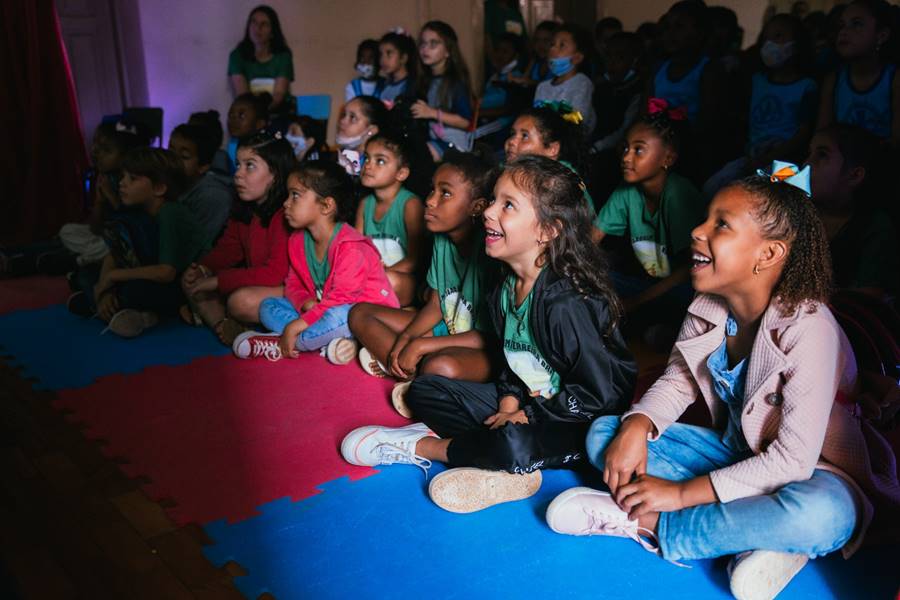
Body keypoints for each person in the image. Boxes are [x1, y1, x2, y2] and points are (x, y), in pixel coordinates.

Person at [545, 165, 899, 600]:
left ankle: (652, 525)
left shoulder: (810, 328)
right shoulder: (710, 305)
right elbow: (677, 380)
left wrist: (676, 496)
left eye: (721, 225)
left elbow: (791, 463)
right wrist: (637, 425)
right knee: (606, 434)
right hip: (732, 456)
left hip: (815, 473)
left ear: (767, 255)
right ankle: (756, 535)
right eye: (705, 219)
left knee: (824, 517)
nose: (697, 230)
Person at [340, 157, 636, 513]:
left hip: (578, 420)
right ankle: (506, 466)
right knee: (426, 390)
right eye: (493, 200)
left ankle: (422, 446)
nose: (489, 212)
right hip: (528, 404)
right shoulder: (505, 287)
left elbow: (600, 394)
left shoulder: (566, 303)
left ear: (547, 231)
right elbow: (513, 363)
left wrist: (527, 417)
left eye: (507, 205)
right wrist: (510, 404)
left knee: (512, 442)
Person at [348, 151, 498, 411]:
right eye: (432, 190)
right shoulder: (442, 239)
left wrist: (421, 344)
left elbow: (488, 338)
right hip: (446, 331)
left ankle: (414, 374)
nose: (430, 201)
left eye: (445, 193)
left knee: (439, 365)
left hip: (481, 348)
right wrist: (407, 338)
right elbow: (438, 304)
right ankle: (411, 376)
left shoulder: (490, 253)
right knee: (359, 314)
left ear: (477, 207)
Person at [232, 160, 398, 364]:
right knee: (268, 307)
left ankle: (280, 342)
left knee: (340, 316)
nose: (286, 203)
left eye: (295, 195)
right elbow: (292, 284)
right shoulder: (297, 240)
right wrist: (305, 303)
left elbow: (341, 300)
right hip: (321, 311)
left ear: (326, 205)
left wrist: (297, 324)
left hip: (361, 316)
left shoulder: (352, 247)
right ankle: (318, 341)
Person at [592, 105, 706, 350]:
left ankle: (659, 330)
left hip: (684, 289)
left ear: (668, 158)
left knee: (687, 305)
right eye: (625, 148)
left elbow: (690, 268)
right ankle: (647, 327)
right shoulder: (626, 191)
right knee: (597, 279)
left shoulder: (678, 194)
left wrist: (636, 302)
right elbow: (591, 239)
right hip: (649, 285)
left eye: (638, 150)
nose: (626, 157)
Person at [69, 148, 207, 338]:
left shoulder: (170, 213)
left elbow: (166, 273)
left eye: (132, 179)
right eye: (123, 176)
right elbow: (117, 253)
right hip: (155, 274)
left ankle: (115, 308)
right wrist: (105, 289)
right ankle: (107, 305)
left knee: (136, 290)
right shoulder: (139, 211)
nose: (122, 183)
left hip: (185, 284)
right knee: (87, 273)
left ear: (159, 188)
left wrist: (113, 277)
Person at [181, 132, 293, 345]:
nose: (238, 174)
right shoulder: (245, 207)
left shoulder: (284, 215)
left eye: (249, 166)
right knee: (191, 281)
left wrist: (218, 281)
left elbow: (276, 273)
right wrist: (204, 268)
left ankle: (231, 321)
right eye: (238, 165)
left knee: (240, 301)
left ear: (275, 175)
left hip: (285, 287)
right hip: (259, 283)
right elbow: (228, 248)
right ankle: (224, 326)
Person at [703, 13, 818, 198]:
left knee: (767, 198)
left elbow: (803, 133)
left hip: (787, 163)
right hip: (751, 157)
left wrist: (772, 156)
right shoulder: (756, 81)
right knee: (713, 188)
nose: (769, 44)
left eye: (778, 37)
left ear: (797, 44)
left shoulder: (806, 87)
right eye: (766, 38)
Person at [806, 124, 899, 298]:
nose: (807, 163)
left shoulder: (875, 228)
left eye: (822, 155)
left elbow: (866, 299)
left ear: (855, 175)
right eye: (809, 154)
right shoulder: (798, 214)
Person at [354, 132, 426, 307]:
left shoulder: (410, 204)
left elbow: (414, 261)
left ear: (401, 173)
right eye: (367, 158)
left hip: (401, 280)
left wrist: (378, 273)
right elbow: (355, 250)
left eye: (380, 161)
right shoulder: (365, 204)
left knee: (390, 280)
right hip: (371, 277)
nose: (368, 166)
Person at [817, 0, 900, 146]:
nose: (843, 31)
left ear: (881, 35)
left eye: (857, 24)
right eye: (841, 25)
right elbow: (822, 135)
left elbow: (896, 141)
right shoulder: (834, 80)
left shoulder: (894, 79)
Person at [505, 104, 595, 211]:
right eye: (512, 134)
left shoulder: (559, 185)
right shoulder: (515, 170)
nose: (511, 141)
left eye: (525, 136)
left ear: (552, 149)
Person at [414, 21, 476, 160]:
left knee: (421, 155)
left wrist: (431, 113)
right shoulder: (425, 80)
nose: (425, 49)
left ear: (448, 50)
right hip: (432, 139)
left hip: (453, 143)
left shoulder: (455, 83)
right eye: (423, 43)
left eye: (433, 44)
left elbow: (465, 122)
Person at [168, 123, 234, 242]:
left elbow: (195, 245)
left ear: (203, 167)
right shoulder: (171, 184)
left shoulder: (213, 195)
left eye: (184, 156)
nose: (172, 159)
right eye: (170, 151)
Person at [228, 5, 294, 113]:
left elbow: (278, 95)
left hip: (277, 113)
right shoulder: (237, 56)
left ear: (273, 31)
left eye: (264, 24)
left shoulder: (283, 57)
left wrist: (263, 114)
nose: (257, 28)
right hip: (249, 114)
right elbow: (242, 95)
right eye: (253, 22)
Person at [534, 24, 597, 137]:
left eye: (561, 45)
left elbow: (578, 119)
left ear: (577, 57)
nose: (553, 49)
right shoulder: (542, 87)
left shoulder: (582, 83)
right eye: (552, 44)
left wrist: (550, 108)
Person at [335, 95, 388, 177]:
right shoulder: (338, 157)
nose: (342, 121)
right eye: (344, 115)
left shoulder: (374, 169)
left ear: (371, 130)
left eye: (352, 117)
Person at [226, 93, 270, 171]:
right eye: (231, 115)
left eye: (241, 116)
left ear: (259, 124)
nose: (234, 119)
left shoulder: (268, 152)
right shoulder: (232, 145)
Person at [379, 29, 418, 102]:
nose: (383, 60)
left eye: (389, 53)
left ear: (403, 58)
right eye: (381, 54)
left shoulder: (412, 87)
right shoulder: (385, 85)